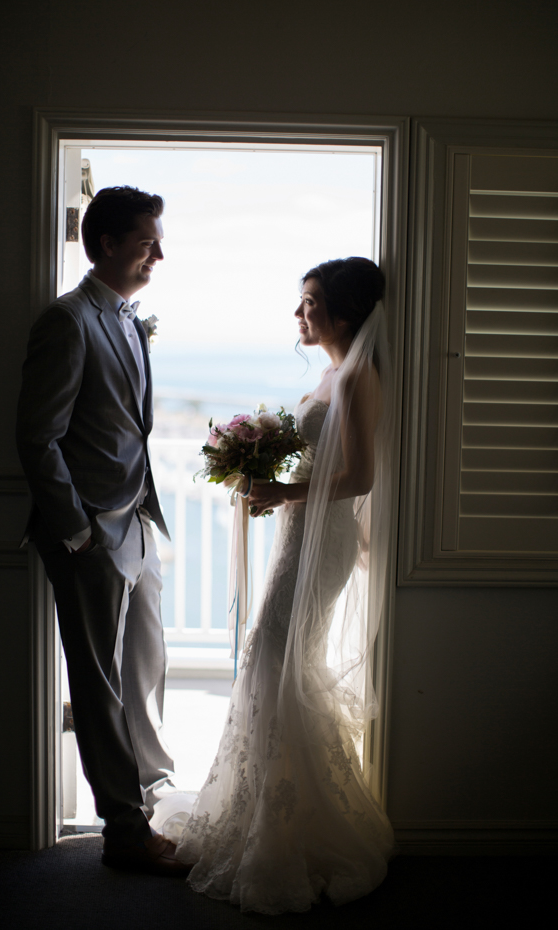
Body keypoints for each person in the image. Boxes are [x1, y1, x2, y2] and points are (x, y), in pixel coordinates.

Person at [171, 257, 395, 911]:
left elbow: (359, 479)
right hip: (296, 535)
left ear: (343, 314)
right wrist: (267, 474)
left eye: (310, 302)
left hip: (317, 545)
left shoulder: (356, 378)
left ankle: (302, 827)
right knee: (277, 664)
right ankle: (277, 815)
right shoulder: (330, 373)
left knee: (275, 659)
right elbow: (324, 467)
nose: (299, 313)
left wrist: (280, 488)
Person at [16, 186, 189, 876]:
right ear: (109, 244)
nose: (159, 254)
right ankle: (125, 832)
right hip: (89, 535)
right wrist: (78, 531)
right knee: (99, 686)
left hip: (136, 524)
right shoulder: (67, 319)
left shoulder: (124, 317)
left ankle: (151, 793)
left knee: (146, 669)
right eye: (148, 242)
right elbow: (38, 437)